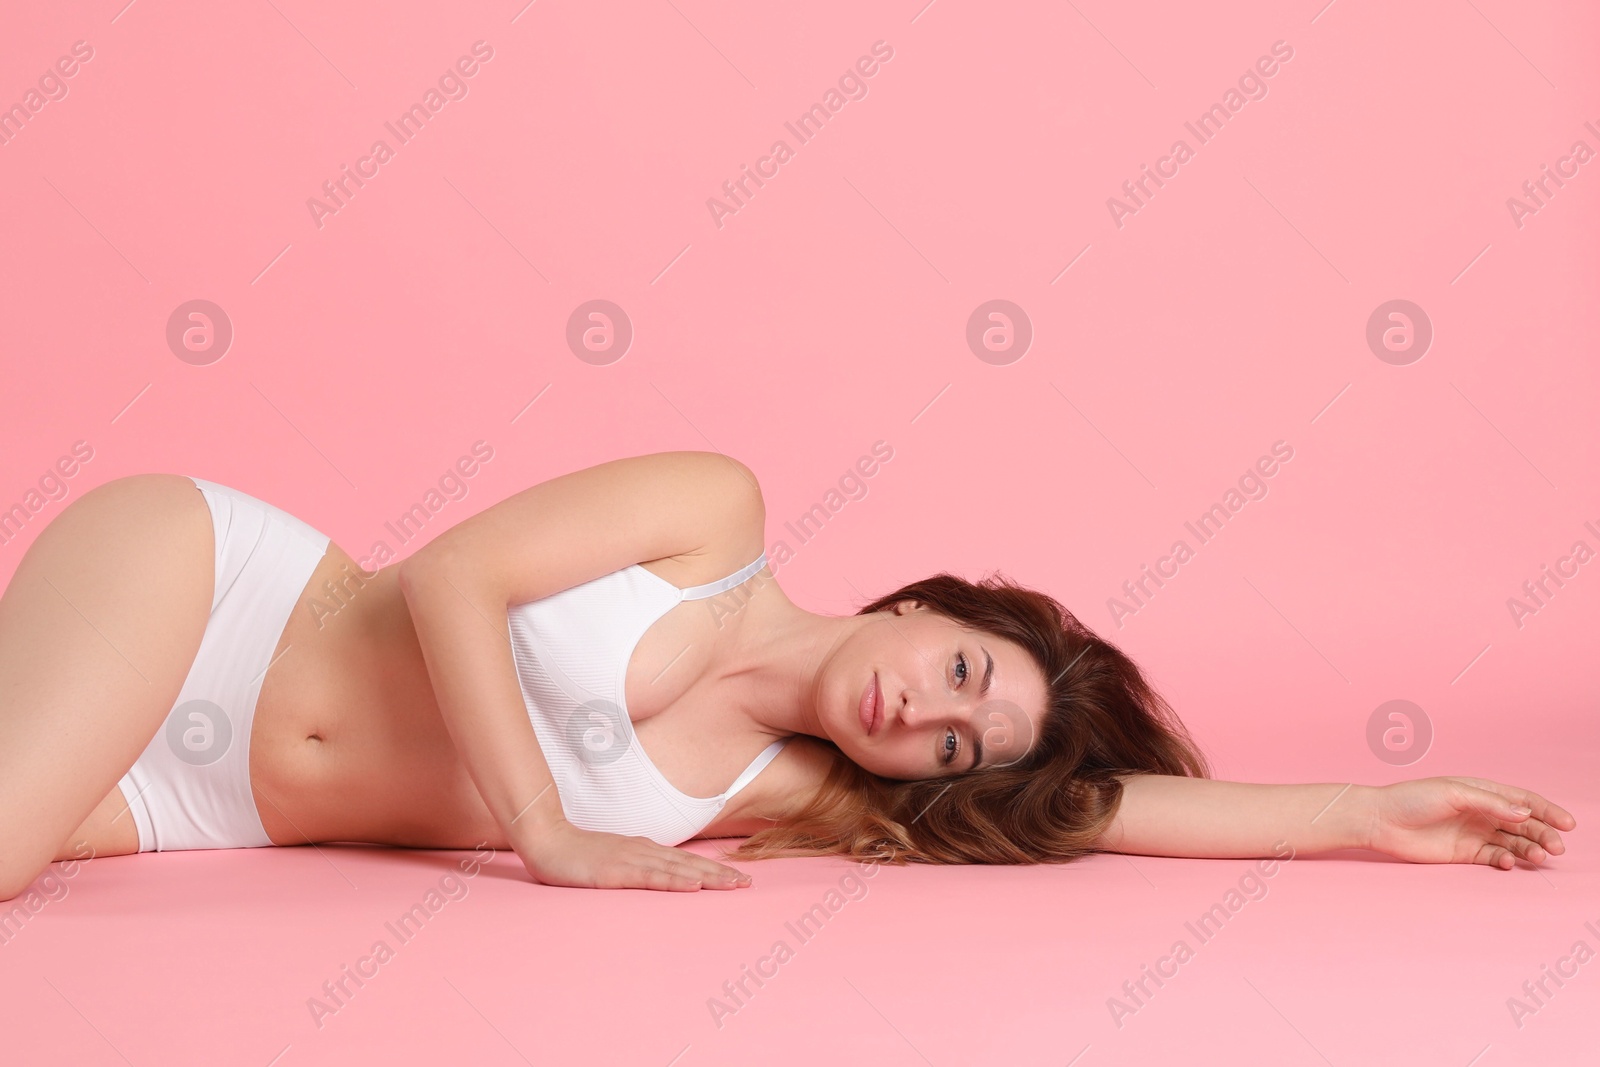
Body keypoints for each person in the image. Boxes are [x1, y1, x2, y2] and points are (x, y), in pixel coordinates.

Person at [0, 451, 1575, 899]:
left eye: (964, 747)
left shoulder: (785, 796)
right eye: (962, 665)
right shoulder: (713, 518)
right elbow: (462, 573)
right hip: (210, 598)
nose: (933, 713)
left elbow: (1104, 808)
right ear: (914, 604)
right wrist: (544, 834)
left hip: (196, 804)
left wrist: (1375, 812)